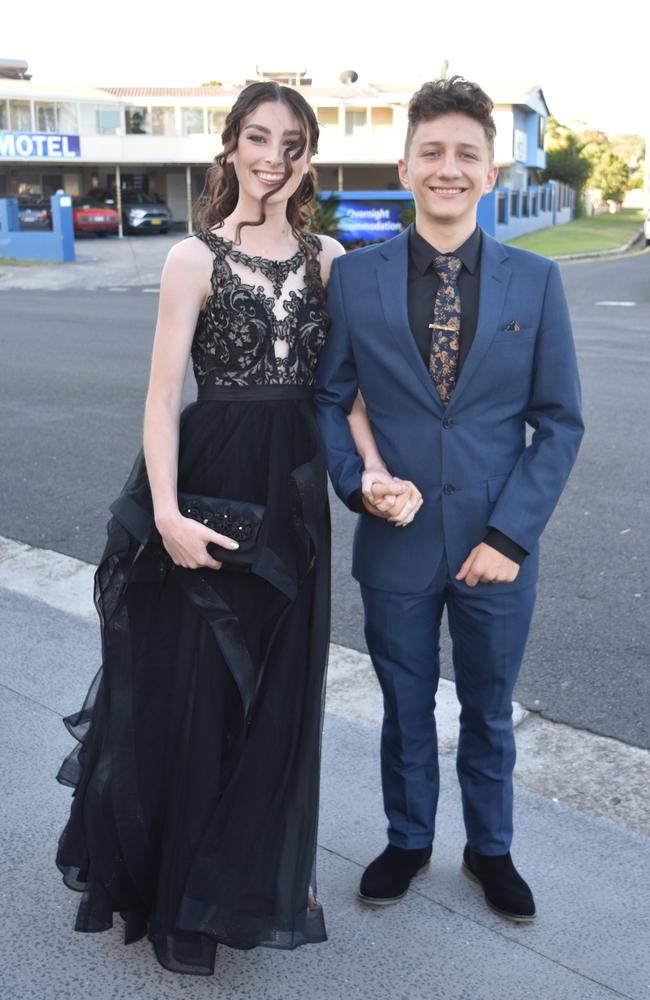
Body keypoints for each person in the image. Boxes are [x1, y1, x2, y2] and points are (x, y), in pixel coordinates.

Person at [55, 81, 397, 976]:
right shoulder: (191, 259)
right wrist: (164, 512)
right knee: (200, 685)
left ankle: (260, 868)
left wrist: (373, 471)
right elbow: (164, 396)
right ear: (232, 146)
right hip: (208, 481)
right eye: (257, 137)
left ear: (308, 157)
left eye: (290, 142)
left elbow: (344, 390)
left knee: (282, 689)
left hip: (294, 490)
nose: (271, 156)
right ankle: (182, 879)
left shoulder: (331, 258)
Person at [314, 76, 584, 922]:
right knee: (402, 705)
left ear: (491, 173)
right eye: (432, 152)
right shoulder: (356, 279)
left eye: (467, 153)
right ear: (405, 165)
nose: (448, 167)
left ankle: (490, 850)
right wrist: (358, 485)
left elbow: (560, 423)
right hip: (395, 543)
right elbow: (330, 398)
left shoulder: (536, 283)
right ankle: (407, 838)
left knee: (488, 710)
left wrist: (511, 536)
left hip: (493, 548)